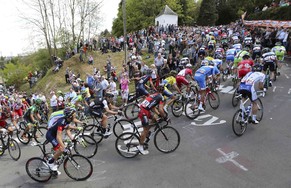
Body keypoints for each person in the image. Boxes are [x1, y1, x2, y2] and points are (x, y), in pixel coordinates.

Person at [46, 107, 84, 174]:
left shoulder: (67, 120)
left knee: (62, 148)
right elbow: (58, 137)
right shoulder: (61, 122)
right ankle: (50, 162)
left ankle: (55, 160)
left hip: (54, 135)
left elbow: (67, 128)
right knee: (61, 149)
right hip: (51, 136)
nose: (75, 115)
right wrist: (63, 147)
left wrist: (76, 130)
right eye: (74, 114)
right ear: (70, 116)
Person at [137, 84, 168, 155]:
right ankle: (140, 146)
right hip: (143, 111)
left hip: (145, 110)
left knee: (155, 118)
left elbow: (153, 107)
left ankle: (147, 132)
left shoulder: (153, 95)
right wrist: (165, 117)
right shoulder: (161, 97)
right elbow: (160, 109)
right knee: (145, 130)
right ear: (163, 91)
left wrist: (160, 115)